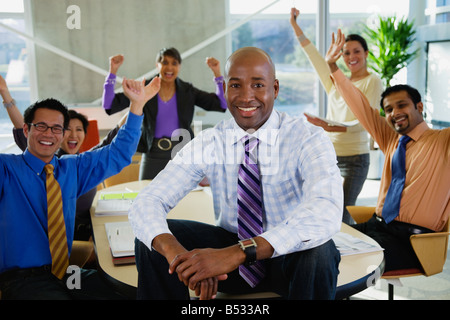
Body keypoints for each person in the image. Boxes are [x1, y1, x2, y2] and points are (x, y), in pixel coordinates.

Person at [129, 47, 343, 300]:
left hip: (286, 257)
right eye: (235, 86)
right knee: (153, 239)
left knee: (319, 251)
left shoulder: (307, 137)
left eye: (258, 85)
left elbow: (325, 209)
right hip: (229, 264)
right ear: (225, 90)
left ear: (274, 89)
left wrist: (239, 252)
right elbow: (147, 201)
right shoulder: (211, 141)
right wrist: (182, 258)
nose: (246, 97)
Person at [0, 76, 160, 299]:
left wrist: (137, 105)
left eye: (56, 128)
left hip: (67, 275)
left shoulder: (71, 168)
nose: (49, 134)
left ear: (63, 134)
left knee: (129, 291)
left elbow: (118, 154)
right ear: (26, 130)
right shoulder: (7, 168)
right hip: (21, 279)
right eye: (41, 126)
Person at [325, 29, 450, 272]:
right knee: (320, 242)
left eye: (401, 105)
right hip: (377, 226)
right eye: (389, 109)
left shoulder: (443, 141)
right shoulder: (392, 139)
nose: (395, 113)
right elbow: (360, 105)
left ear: (419, 106)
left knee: (332, 260)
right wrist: (332, 65)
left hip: (413, 241)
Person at [0, 75, 126, 241]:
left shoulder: (86, 161)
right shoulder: (46, 160)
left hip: (90, 229)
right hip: (58, 239)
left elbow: (116, 134)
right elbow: (24, 127)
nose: (73, 135)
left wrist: (139, 103)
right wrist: (5, 94)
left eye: (79, 129)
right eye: (67, 129)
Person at [289, 8, 384, 224]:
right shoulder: (335, 81)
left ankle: (350, 254)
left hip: (356, 159)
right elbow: (313, 56)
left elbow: (365, 121)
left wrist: (332, 126)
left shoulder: (373, 81)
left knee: (343, 214)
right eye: (346, 53)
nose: (351, 57)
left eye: (356, 51)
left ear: (366, 53)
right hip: (329, 155)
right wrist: (295, 26)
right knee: (322, 209)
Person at [102, 48, 228, 180]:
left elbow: (221, 104)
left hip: (182, 153)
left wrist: (217, 73)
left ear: (179, 66)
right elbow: (109, 105)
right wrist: (112, 71)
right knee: (146, 194)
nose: (169, 67)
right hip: (152, 153)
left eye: (174, 63)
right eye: (165, 62)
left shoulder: (188, 91)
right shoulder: (146, 89)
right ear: (157, 65)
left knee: (186, 196)